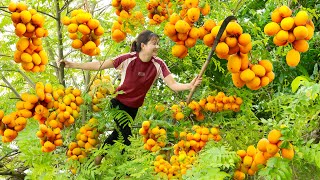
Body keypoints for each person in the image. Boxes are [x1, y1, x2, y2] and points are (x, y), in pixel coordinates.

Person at [61, 30, 202, 164]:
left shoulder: (159, 64)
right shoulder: (128, 59)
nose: (157, 46)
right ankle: (128, 169)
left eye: (158, 43)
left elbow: (173, 84)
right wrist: (73, 64)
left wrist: (190, 85)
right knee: (127, 138)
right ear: (143, 45)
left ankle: (99, 156)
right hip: (118, 104)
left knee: (118, 134)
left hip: (133, 108)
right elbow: (100, 64)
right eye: (154, 43)